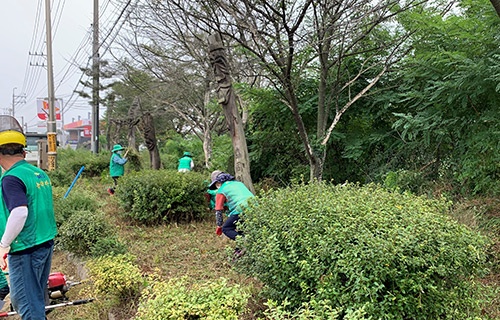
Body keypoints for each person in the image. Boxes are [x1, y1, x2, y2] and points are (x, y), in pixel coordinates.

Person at [0, 115, 58, 319]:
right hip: (44, 243)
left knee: (27, 305)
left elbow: (20, 212)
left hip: (25, 250)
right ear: (22, 150)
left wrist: (4, 244)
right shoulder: (37, 173)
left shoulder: (10, 178)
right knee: (35, 300)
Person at [208, 170, 255, 247]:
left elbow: (218, 210)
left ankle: (245, 242)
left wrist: (219, 226)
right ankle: (241, 249)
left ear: (218, 183)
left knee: (226, 228)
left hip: (240, 209)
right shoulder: (239, 184)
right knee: (241, 228)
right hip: (254, 207)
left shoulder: (221, 190)